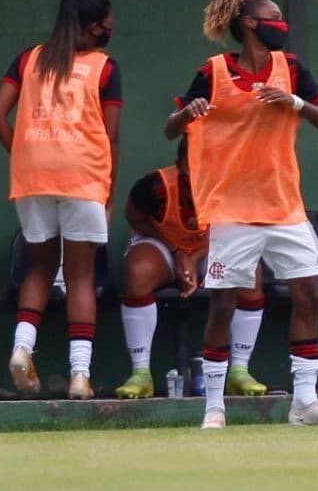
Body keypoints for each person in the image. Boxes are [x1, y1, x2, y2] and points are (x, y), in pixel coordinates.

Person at [164, 0, 318, 429]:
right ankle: (214, 406)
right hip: (231, 207)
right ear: (250, 23)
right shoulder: (212, 71)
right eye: (273, 18)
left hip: (284, 203)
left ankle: (305, 402)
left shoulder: (290, 66)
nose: (281, 25)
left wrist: (294, 102)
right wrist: (186, 113)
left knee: (309, 294)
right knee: (224, 305)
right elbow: (171, 129)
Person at [0, 0, 121, 400]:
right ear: (92, 26)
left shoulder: (29, 59)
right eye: (106, 24)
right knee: (79, 275)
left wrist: (25, 155)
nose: (109, 30)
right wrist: (108, 191)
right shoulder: (105, 67)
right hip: (83, 176)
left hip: (33, 178)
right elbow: (111, 136)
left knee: (38, 269)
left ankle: (21, 348)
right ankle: (80, 374)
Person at [115, 138, 268, 399]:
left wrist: (195, 257)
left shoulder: (231, 184)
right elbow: (134, 217)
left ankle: (239, 371)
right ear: (180, 163)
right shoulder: (155, 187)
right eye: (193, 164)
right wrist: (177, 253)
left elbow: (239, 230)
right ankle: (141, 374)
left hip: (212, 247)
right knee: (138, 272)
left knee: (249, 273)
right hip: (162, 244)